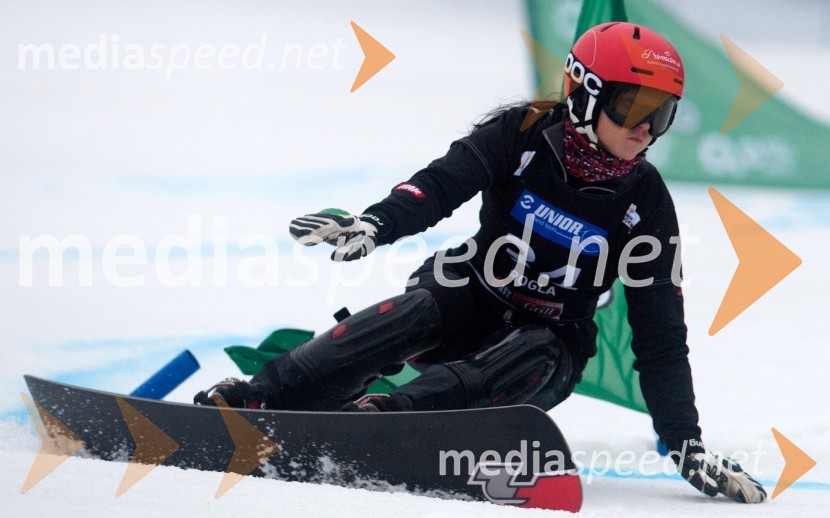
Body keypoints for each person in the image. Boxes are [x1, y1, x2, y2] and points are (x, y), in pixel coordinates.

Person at [195, 22, 766, 504]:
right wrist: (376, 222)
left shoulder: (647, 203)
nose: (645, 128)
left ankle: (386, 418)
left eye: (662, 114)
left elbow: (661, 337)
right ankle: (262, 394)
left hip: (546, 348)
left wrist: (684, 443)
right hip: (470, 302)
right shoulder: (518, 134)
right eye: (633, 106)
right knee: (423, 303)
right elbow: (441, 185)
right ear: (586, 95)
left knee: (538, 345)